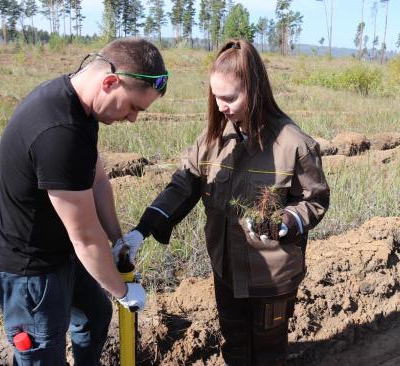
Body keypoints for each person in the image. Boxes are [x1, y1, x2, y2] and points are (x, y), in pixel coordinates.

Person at [117, 39, 330, 365]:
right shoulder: (212, 141)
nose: (220, 106)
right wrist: (141, 231)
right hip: (226, 270)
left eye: (230, 97)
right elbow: (182, 187)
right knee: (235, 344)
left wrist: (287, 221)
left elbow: (314, 199)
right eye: (215, 96)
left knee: (268, 352)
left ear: (255, 90)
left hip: (271, 279)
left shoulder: (293, 144)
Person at [0, 38, 169, 365]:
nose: (134, 118)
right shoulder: (59, 132)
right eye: (134, 107)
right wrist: (123, 293)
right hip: (29, 272)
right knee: (42, 353)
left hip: (58, 254)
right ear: (110, 82)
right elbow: (84, 236)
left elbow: (96, 179)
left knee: (94, 316)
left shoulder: (79, 106)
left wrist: (118, 239)